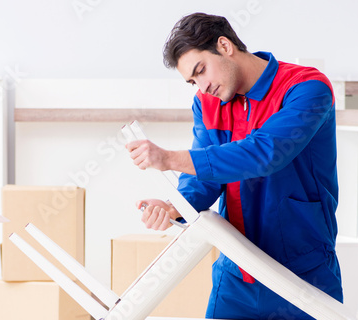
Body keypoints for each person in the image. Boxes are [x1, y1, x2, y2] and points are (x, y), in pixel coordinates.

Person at [126, 13, 341, 319]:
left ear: (224, 46)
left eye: (201, 70)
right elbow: (205, 179)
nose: (202, 86)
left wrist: (170, 158)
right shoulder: (207, 102)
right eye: (192, 80)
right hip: (236, 275)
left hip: (304, 274)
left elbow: (267, 153)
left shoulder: (307, 88)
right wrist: (175, 206)